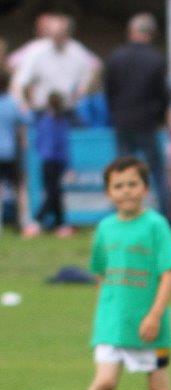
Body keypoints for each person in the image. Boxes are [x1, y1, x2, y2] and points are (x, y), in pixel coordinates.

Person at [52, 157, 171, 390]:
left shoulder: (155, 225)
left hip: (151, 327)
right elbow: (101, 273)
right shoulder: (105, 228)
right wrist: (107, 312)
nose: (126, 192)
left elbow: (169, 274)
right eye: (118, 186)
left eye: (132, 184)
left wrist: (154, 314)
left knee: (158, 389)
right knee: (105, 382)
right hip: (112, 324)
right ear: (109, 193)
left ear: (145, 188)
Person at [104, 14, 171, 223]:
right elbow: (164, 95)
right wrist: (159, 117)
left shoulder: (115, 57)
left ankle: (122, 215)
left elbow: (109, 91)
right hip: (147, 122)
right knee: (157, 172)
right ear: (151, 34)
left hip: (122, 121)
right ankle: (168, 217)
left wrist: (115, 113)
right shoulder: (157, 59)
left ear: (130, 32)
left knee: (122, 172)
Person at [9, 14, 99, 112]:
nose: (57, 37)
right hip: (42, 109)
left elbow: (93, 69)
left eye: (61, 33)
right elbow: (19, 81)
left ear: (68, 33)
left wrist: (81, 92)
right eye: (54, 33)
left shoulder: (77, 51)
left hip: (69, 109)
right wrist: (23, 104)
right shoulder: (36, 50)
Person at [29, 91, 71, 237]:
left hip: (49, 160)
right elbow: (62, 144)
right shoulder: (56, 121)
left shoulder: (47, 120)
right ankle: (38, 220)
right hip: (53, 161)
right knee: (54, 192)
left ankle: (59, 223)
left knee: (55, 192)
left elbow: (39, 142)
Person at [0, 68, 25, 234]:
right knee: (18, 188)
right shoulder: (12, 103)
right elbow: (25, 120)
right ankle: (19, 223)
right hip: (10, 153)